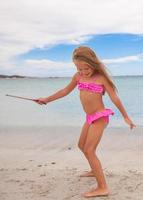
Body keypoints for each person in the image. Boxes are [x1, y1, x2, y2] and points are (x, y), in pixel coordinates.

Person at [35, 46, 136, 198]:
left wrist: (126, 116)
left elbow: (114, 97)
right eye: (79, 68)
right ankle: (94, 170)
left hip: (100, 117)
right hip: (89, 117)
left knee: (89, 150)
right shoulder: (78, 77)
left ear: (93, 63)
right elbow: (64, 91)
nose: (83, 71)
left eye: (86, 68)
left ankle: (103, 187)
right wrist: (46, 99)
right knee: (81, 145)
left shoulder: (100, 78)